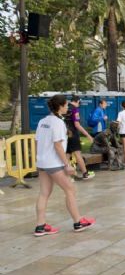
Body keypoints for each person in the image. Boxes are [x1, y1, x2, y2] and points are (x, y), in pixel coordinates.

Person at [34, 94, 95, 236]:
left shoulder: (42, 121)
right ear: (60, 107)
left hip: (42, 162)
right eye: (66, 105)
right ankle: (78, 222)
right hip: (53, 163)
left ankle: (40, 226)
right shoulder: (58, 123)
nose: (68, 107)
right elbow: (57, 145)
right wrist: (67, 164)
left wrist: (39, 159)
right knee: (70, 190)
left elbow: (37, 142)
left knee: (44, 193)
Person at [65, 95, 95, 180]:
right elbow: (77, 125)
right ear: (78, 101)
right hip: (73, 134)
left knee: (67, 155)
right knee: (78, 154)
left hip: (66, 134)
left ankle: (66, 175)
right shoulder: (74, 109)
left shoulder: (66, 108)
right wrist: (88, 135)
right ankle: (85, 173)